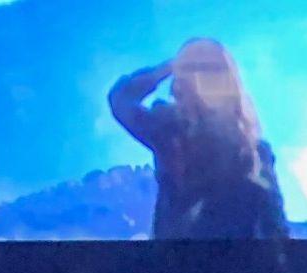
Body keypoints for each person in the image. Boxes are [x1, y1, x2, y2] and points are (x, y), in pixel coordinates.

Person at [108, 40, 290, 245]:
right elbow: (276, 227)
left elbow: (121, 100)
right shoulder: (171, 133)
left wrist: (166, 69)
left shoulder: (169, 133)